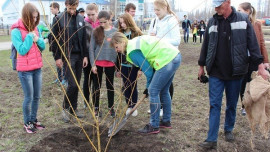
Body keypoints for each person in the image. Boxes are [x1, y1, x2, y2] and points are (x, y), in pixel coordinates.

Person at [198, 0, 269, 150]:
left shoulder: (243, 20)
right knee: (214, 105)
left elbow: (253, 44)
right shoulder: (212, 21)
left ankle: (228, 129)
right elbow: (206, 45)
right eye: (215, 6)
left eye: (219, 5)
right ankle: (211, 139)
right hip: (216, 71)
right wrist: (201, 66)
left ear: (228, 2)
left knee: (231, 104)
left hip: (236, 72)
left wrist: (261, 66)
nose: (216, 8)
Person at [111, 32, 181, 134]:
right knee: (164, 91)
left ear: (121, 42)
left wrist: (148, 87)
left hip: (166, 60)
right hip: (174, 56)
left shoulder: (132, 51)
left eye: (116, 47)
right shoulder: (133, 43)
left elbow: (148, 72)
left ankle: (154, 125)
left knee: (153, 91)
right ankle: (166, 121)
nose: (116, 50)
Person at [11, 3, 46, 133]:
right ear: (26, 16)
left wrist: (38, 39)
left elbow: (42, 47)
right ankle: (27, 123)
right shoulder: (16, 31)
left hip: (37, 68)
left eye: (36, 18)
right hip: (25, 71)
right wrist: (30, 37)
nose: (34, 20)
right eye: (32, 18)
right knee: (29, 97)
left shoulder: (36, 29)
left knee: (37, 96)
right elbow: (22, 49)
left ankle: (33, 120)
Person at [51, 0, 88, 123]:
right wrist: (57, 57)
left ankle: (74, 108)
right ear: (66, 5)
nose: (72, 11)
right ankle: (66, 108)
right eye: (70, 8)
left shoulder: (80, 18)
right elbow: (53, 39)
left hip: (79, 56)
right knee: (72, 84)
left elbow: (84, 39)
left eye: (75, 8)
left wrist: (85, 56)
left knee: (77, 83)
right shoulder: (59, 19)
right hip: (67, 56)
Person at [148, 0, 180, 116]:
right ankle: (165, 117)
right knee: (162, 88)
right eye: (154, 9)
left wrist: (158, 38)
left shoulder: (172, 21)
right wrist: (151, 37)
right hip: (157, 57)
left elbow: (176, 40)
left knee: (159, 88)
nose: (156, 12)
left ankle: (158, 115)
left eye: (158, 10)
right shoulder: (154, 20)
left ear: (165, 8)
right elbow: (150, 36)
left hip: (169, 58)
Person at [238, 2, 269, 116]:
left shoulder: (256, 24)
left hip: (254, 59)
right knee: (242, 84)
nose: (238, 12)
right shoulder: (238, 23)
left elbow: (261, 43)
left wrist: (265, 61)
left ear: (248, 11)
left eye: (240, 10)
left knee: (254, 83)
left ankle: (254, 106)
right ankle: (244, 106)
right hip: (242, 59)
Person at [89, 11, 118, 118]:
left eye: (104, 22)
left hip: (110, 63)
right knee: (97, 86)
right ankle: (96, 108)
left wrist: (117, 67)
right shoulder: (95, 31)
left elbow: (118, 49)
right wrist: (93, 64)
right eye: (100, 22)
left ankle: (111, 107)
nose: (101, 24)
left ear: (109, 20)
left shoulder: (115, 32)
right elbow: (91, 49)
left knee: (110, 86)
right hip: (98, 64)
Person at [116, 13, 143, 116]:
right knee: (126, 86)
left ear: (129, 21)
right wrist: (118, 68)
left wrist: (140, 68)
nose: (122, 25)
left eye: (124, 22)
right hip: (123, 65)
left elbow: (141, 52)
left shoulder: (136, 33)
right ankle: (129, 105)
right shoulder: (120, 34)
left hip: (134, 65)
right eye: (120, 23)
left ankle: (134, 106)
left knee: (133, 85)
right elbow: (117, 53)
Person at [83, 3, 100, 109]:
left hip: (98, 56)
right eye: (88, 14)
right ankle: (86, 101)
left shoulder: (101, 24)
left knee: (96, 80)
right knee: (87, 79)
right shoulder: (84, 24)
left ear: (97, 13)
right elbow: (83, 42)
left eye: (93, 14)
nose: (90, 17)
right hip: (87, 57)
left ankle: (96, 103)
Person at [49, 2, 67, 86]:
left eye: (52, 9)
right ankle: (59, 77)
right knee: (57, 60)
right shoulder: (54, 18)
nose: (51, 11)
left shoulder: (62, 17)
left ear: (56, 8)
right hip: (55, 44)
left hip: (61, 43)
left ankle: (64, 78)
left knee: (63, 61)